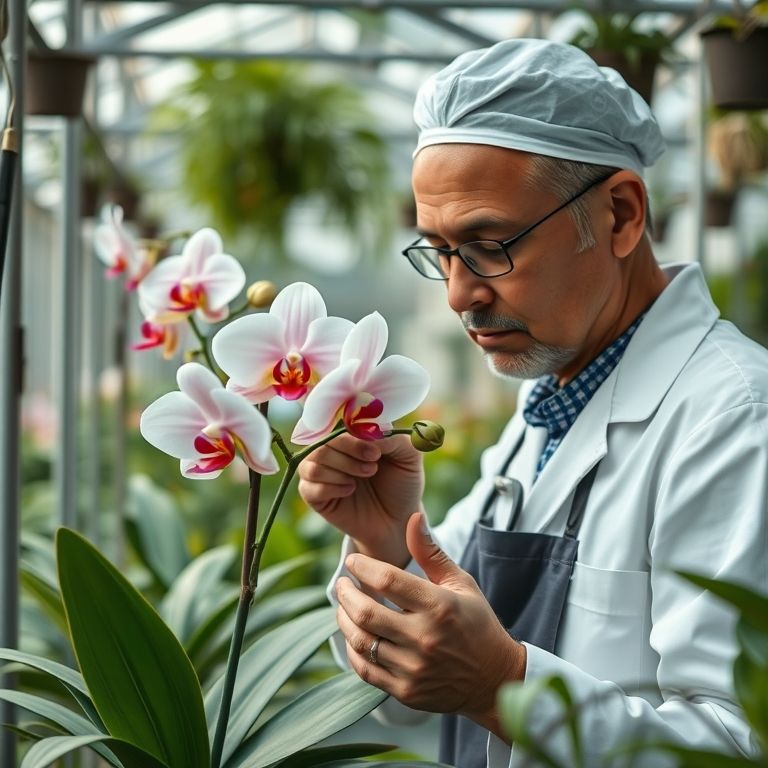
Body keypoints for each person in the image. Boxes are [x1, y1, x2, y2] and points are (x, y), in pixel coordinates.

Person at [297, 38, 768, 768]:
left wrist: (504, 689)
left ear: (619, 214)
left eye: (489, 245)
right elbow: (404, 689)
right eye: (440, 252)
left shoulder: (736, 419)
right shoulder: (547, 405)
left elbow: (741, 747)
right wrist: (386, 540)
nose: (460, 294)